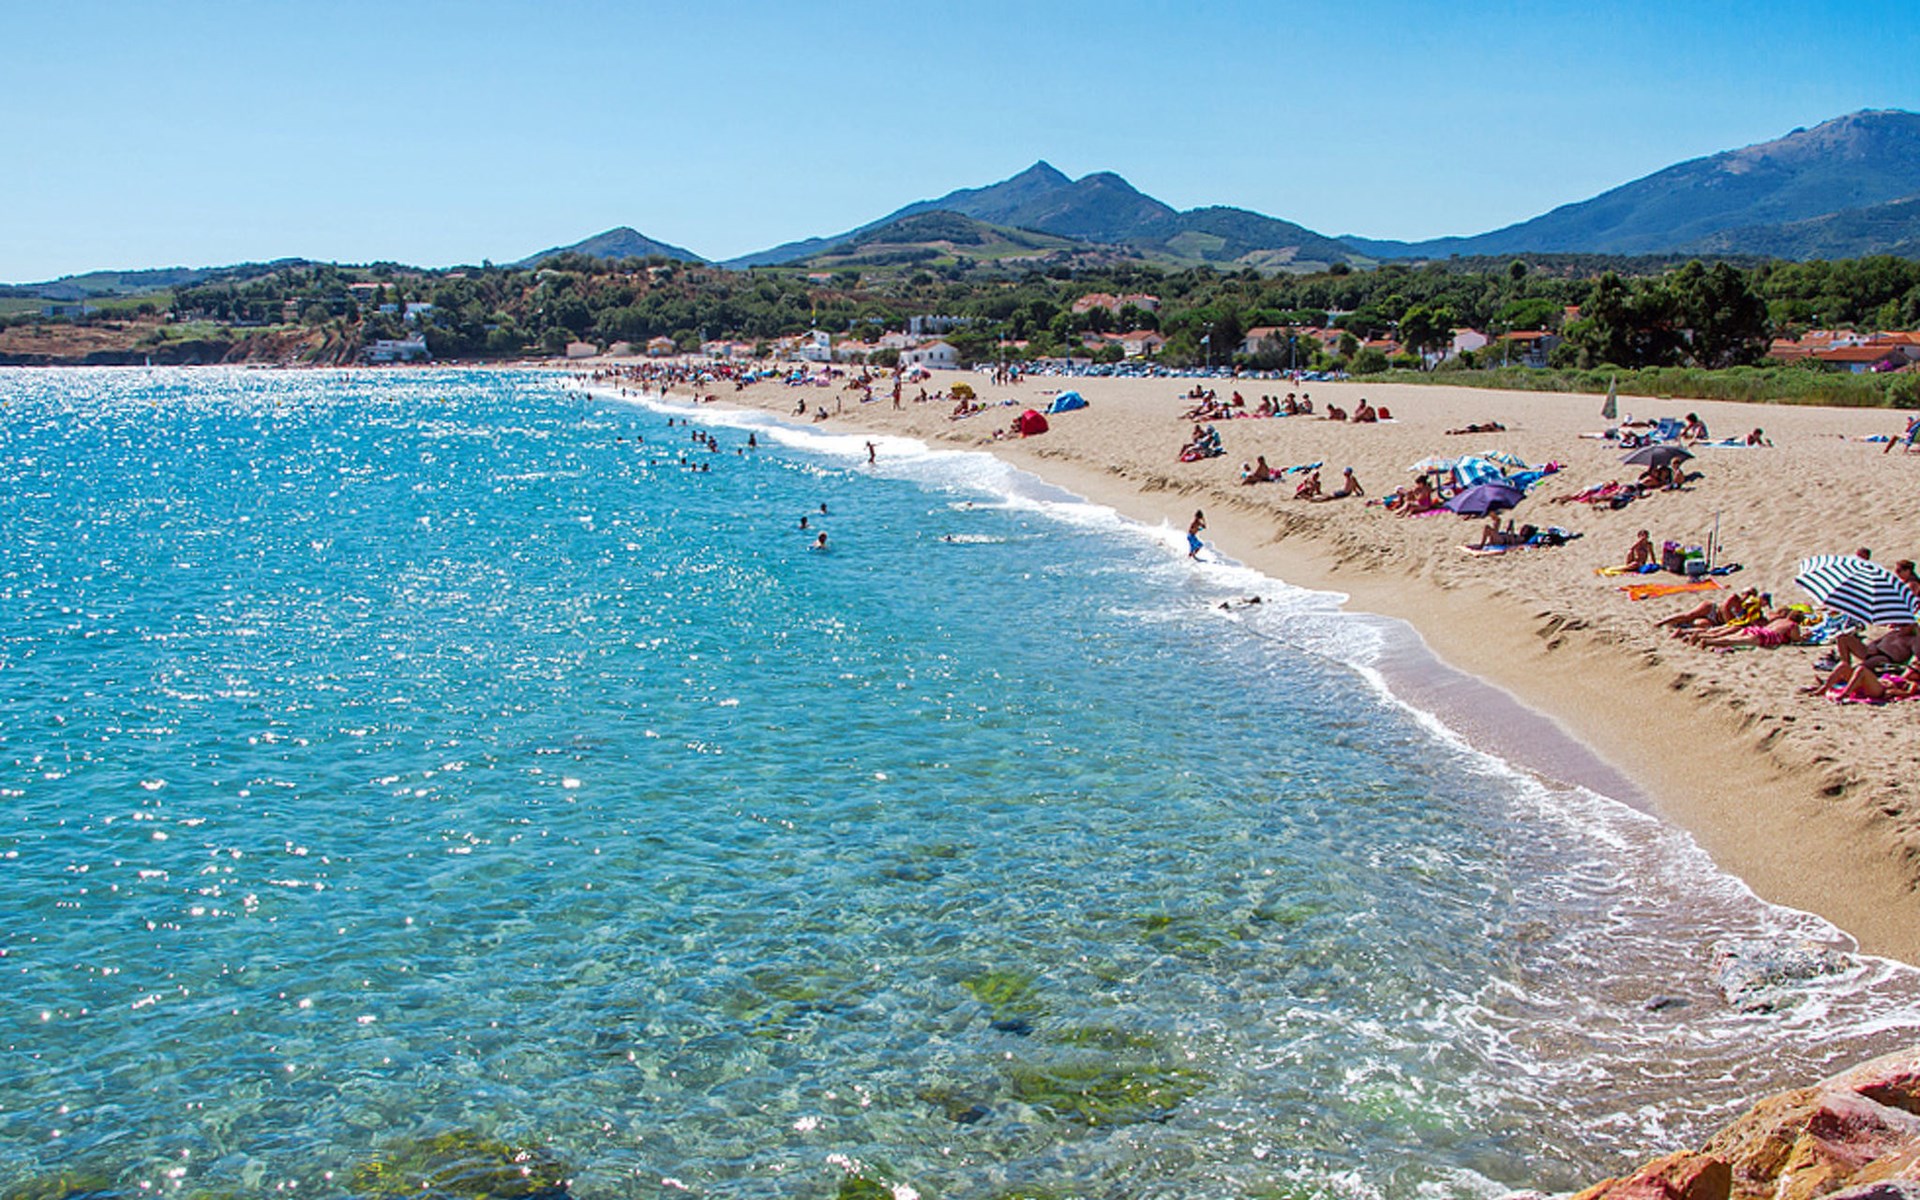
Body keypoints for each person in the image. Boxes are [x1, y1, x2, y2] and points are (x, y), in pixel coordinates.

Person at [1801, 623, 1919, 692]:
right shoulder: (1893, 633)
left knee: (1862, 668)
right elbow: (1876, 641)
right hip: (1873, 651)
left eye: (1905, 625)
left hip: (1886, 659)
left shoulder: (1913, 640)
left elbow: (1917, 655)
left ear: (1912, 626)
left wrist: (1918, 632)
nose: (1901, 627)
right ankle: (1844, 666)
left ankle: (1840, 678)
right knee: (1843, 638)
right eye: (1900, 624)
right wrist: (1872, 647)